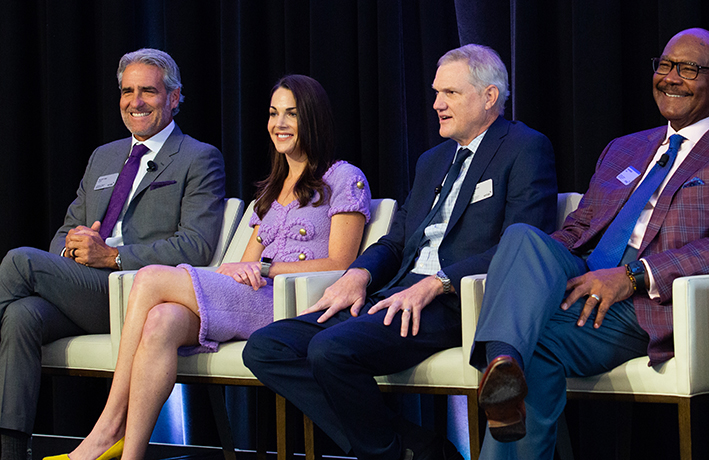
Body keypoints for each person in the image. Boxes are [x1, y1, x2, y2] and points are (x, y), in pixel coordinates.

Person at [468, 28, 709, 459]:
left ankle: (505, 369)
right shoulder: (625, 148)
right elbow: (579, 228)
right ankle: (502, 367)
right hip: (585, 277)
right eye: (665, 65)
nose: (671, 77)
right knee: (522, 237)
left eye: (689, 69)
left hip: (650, 304)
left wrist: (633, 276)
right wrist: (538, 270)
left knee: (538, 352)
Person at [243, 44, 558, 460]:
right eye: (435, 92)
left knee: (330, 351)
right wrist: (358, 274)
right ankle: (412, 448)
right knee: (266, 347)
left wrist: (437, 284)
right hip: (394, 291)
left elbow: (521, 245)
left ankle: (392, 452)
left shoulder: (524, 147)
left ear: (489, 97)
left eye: (450, 93)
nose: (436, 104)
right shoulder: (432, 160)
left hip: (453, 301)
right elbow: (396, 241)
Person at [44, 74, 371, 460]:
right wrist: (244, 268)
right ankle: (130, 455)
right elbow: (246, 262)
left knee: (149, 278)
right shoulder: (273, 188)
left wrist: (266, 270)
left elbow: (341, 264)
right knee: (161, 320)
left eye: (291, 114)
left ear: (313, 119)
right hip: (251, 298)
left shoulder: (345, 178)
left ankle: (108, 424)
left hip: (290, 308)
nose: (278, 124)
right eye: (273, 113)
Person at [0, 48, 226, 460]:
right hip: (82, 288)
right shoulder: (103, 156)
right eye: (127, 91)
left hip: (138, 296)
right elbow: (65, 233)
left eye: (148, 92)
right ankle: (11, 450)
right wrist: (74, 251)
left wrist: (113, 257)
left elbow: (196, 245)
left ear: (174, 98)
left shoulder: (198, 157)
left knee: (18, 260)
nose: (135, 102)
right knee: (21, 316)